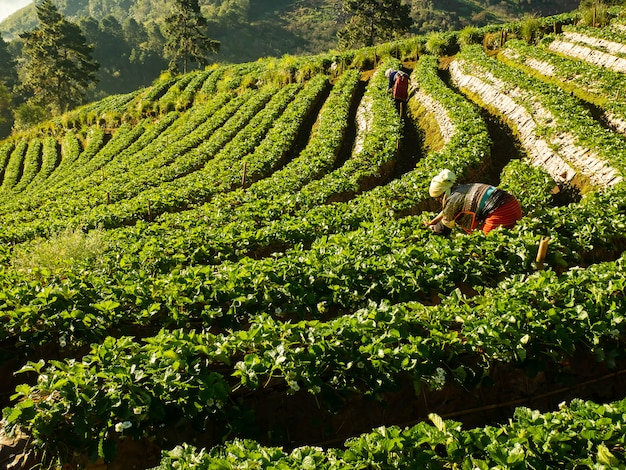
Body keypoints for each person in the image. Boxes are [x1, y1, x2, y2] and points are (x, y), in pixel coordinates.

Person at [424, 169, 522, 235]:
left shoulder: (452, 201)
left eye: (438, 198)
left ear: (442, 194)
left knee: (486, 246)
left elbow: (443, 229)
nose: (439, 201)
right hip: (513, 205)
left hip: (502, 213)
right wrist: (433, 222)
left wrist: (430, 229)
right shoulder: (462, 189)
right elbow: (446, 212)